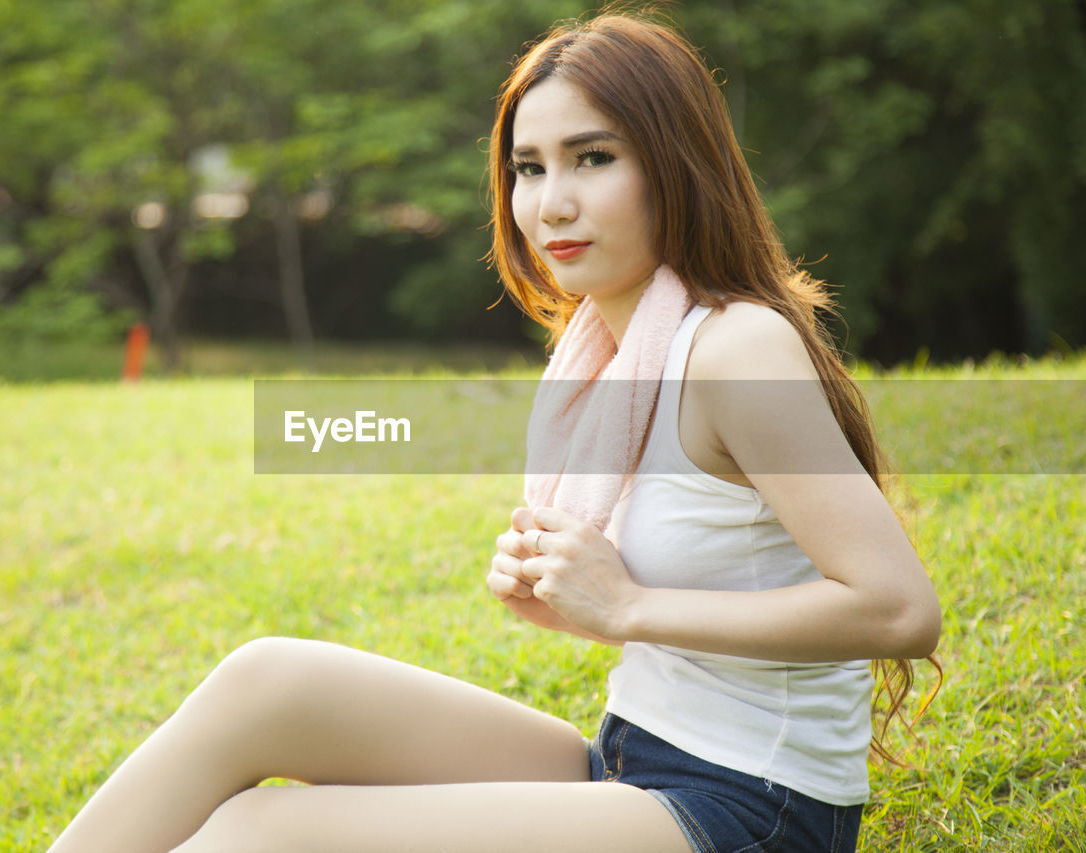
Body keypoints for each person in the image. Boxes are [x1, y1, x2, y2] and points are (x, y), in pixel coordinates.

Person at [47, 11, 941, 853]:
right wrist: (580, 597)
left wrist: (627, 605)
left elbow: (899, 609)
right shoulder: (611, 350)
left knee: (262, 835)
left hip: (747, 808)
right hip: (632, 757)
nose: (552, 203)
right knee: (265, 679)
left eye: (593, 158)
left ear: (676, 162)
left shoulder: (735, 346)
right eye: (530, 167)